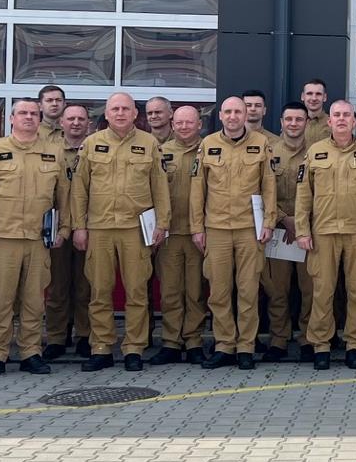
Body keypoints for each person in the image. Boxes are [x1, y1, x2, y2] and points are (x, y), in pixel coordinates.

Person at [70, 92, 169, 372]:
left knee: (137, 292)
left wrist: (162, 224)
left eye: (126, 109)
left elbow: (160, 188)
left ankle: (134, 348)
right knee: (99, 290)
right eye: (115, 109)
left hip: (135, 229)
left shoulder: (149, 144)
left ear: (135, 113)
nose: (120, 113)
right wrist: (79, 226)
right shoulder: (91, 144)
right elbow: (79, 190)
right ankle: (101, 347)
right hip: (99, 228)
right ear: (107, 113)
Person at [0, 97, 65, 376]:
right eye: (23, 113)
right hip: (4, 238)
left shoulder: (54, 152)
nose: (29, 117)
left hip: (38, 239)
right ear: (11, 119)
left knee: (34, 301)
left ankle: (30, 353)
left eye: (34, 113)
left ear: (40, 118)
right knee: (1, 301)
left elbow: (63, 195)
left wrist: (63, 229)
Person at [296, 100, 356, 371]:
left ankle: (354, 345)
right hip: (323, 232)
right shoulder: (315, 152)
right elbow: (304, 195)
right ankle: (321, 345)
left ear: (354, 120)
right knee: (322, 291)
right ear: (329, 121)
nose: (341, 119)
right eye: (336, 115)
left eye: (346, 115)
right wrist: (302, 230)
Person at [191, 97, 274, 370]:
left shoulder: (261, 143)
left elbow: (269, 186)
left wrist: (269, 222)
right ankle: (224, 345)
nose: (233, 116)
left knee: (248, 291)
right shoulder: (208, 144)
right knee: (219, 291)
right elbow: (198, 190)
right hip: (216, 229)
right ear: (221, 116)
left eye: (238, 111)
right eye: (228, 111)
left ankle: (246, 347)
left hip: (249, 229)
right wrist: (197, 227)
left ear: (245, 114)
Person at [154, 103, 208, 365]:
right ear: (172, 124)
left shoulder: (208, 150)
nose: (184, 126)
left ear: (200, 124)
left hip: (200, 234)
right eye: (180, 122)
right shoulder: (161, 153)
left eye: (190, 122)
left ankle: (194, 341)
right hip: (170, 234)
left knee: (195, 291)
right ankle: (171, 342)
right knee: (171, 291)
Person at [262, 104, 311, 361]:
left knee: (310, 289)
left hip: (308, 233)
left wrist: (301, 222)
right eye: (289, 119)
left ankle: (309, 339)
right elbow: (260, 190)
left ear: (306, 123)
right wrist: (284, 219)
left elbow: (323, 193)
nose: (293, 123)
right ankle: (279, 339)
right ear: (281, 122)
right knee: (277, 290)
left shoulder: (317, 152)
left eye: (299, 119)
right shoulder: (268, 152)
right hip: (279, 232)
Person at [44, 102, 92, 360]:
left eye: (81, 119)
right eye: (71, 118)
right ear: (61, 123)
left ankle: (85, 335)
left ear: (89, 124)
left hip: (89, 226)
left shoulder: (95, 148)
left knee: (86, 285)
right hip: (58, 225)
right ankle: (56, 336)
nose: (75, 123)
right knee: (57, 286)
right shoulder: (49, 151)